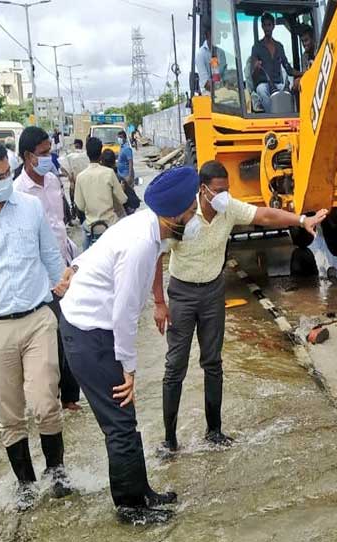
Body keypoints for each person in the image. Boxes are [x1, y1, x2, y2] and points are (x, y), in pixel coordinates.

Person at [152, 160, 328, 453]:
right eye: (219, 190)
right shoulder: (182, 213)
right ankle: (169, 440)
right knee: (175, 367)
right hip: (181, 295)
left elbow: (265, 215)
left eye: (227, 190)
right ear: (203, 189)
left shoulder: (228, 208)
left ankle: (214, 432)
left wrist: (300, 220)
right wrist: (159, 302)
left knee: (213, 363)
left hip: (212, 292)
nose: (224, 196)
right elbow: (155, 255)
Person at [58, 166, 201, 524]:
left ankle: (142, 493)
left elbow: (95, 252)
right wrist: (129, 367)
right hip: (90, 333)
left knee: (126, 417)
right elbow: (123, 313)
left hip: (91, 326)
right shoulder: (141, 243)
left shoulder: (145, 226)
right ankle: (129, 507)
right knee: (119, 423)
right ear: (174, 214)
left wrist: (74, 267)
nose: (195, 215)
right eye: (192, 210)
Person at [0, 138, 72, 510]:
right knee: (9, 415)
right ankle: (26, 486)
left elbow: (51, 257)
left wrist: (67, 294)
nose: (7, 180)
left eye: (8, 173)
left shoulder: (30, 208)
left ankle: (57, 476)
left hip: (38, 318)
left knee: (45, 403)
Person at [14, 127, 81, 411]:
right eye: (43, 154)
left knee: (73, 329)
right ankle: (53, 399)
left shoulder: (53, 181)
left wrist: (72, 261)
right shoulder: (18, 192)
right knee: (52, 336)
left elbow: (59, 224)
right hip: (39, 276)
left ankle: (69, 398)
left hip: (64, 266)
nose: (48, 158)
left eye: (49, 152)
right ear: (28, 156)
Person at [75, 137, 127, 250]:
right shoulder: (109, 173)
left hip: (91, 227)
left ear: (87, 153)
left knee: (85, 253)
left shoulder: (80, 177)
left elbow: (80, 206)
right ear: (100, 154)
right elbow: (123, 200)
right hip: (110, 225)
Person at [251, 13, 302, 111]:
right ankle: (272, 115)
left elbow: (288, 69)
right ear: (262, 26)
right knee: (261, 90)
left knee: (289, 92)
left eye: (269, 25)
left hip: (277, 84)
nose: (267, 28)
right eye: (265, 25)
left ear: (273, 26)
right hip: (264, 84)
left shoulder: (279, 46)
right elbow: (253, 74)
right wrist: (256, 68)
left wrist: (304, 73)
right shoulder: (256, 47)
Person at [195, 23, 227, 93]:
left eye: (219, 32)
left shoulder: (221, 53)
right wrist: (223, 87)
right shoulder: (200, 55)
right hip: (208, 95)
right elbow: (206, 84)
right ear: (208, 34)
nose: (220, 35)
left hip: (223, 92)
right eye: (217, 32)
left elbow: (226, 76)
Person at [61, 139, 89, 214]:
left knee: (76, 199)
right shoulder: (86, 155)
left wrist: (70, 178)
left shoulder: (70, 156)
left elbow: (63, 168)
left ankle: (74, 210)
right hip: (85, 183)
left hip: (75, 183)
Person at [293, 26, 316, 93]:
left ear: (313, 39)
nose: (304, 44)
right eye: (302, 41)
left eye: (306, 40)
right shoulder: (304, 57)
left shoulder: (319, 50)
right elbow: (306, 74)